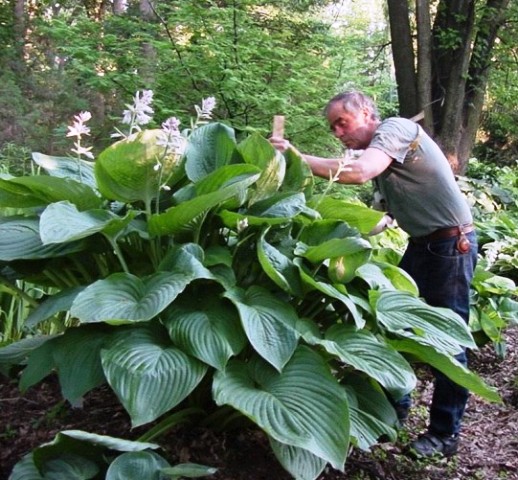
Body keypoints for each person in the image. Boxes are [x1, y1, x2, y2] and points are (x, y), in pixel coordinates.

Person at [269, 90, 478, 458]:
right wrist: (330, 231)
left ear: (366, 113)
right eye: (332, 126)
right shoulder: (388, 166)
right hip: (423, 246)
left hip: (451, 247)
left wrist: (298, 158)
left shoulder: (396, 129)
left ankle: (445, 435)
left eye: (342, 123)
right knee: (390, 326)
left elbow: (359, 171)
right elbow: (380, 222)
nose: (337, 132)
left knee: (448, 341)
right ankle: (390, 416)